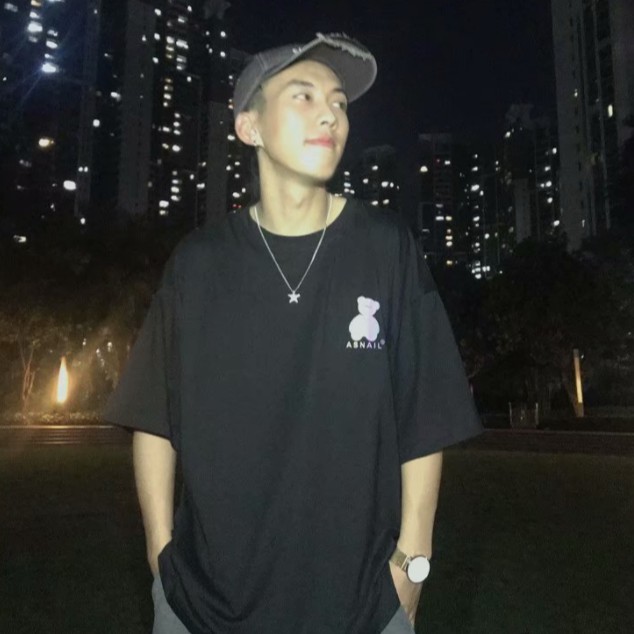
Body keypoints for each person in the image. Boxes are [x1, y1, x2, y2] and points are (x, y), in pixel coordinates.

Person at [103, 32, 482, 634]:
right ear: (249, 126)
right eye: (303, 96)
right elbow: (155, 417)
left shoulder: (386, 249)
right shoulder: (198, 265)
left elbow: (424, 412)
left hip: (360, 606)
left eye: (338, 102)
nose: (330, 113)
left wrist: (412, 562)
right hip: (203, 606)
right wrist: (160, 553)